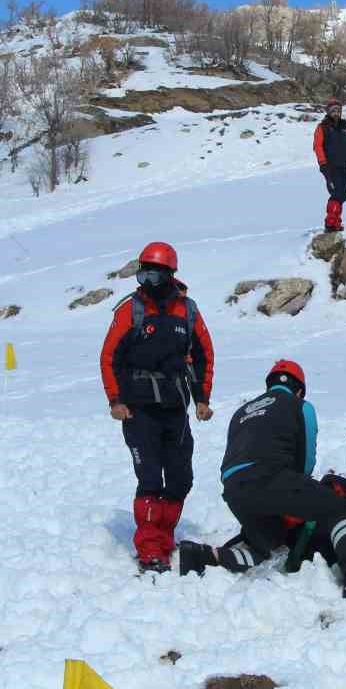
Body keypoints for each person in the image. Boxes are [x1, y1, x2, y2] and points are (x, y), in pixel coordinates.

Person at [177, 360, 346, 604]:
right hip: (270, 477)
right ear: (299, 389)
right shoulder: (299, 406)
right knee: (337, 508)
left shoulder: (242, 412)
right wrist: (300, 492)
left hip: (233, 487)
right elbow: (305, 461)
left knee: (268, 542)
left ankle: (203, 556)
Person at [99, 241, 215, 574]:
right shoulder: (129, 311)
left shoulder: (187, 311)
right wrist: (116, 401)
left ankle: (163, 537)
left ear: (169, 275)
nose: (147, 282)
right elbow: (109, 358)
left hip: (175, 409)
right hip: (138, 410)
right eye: (143, 274)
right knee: (150, 477)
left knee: (180, 478)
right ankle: (150, 548)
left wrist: (202, 399)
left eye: (154, 274)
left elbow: (205, 355)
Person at [312, 96, 346, 232]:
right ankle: (330, 222)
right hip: (331, 167)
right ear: (328, 112)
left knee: (343, 195)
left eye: (338, 110)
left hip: (345, 166)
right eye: (333, 110)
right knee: (336, 194)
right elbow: (318, 146)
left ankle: (336, 221)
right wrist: (323, 165)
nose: (336, 113)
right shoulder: (322, 128)